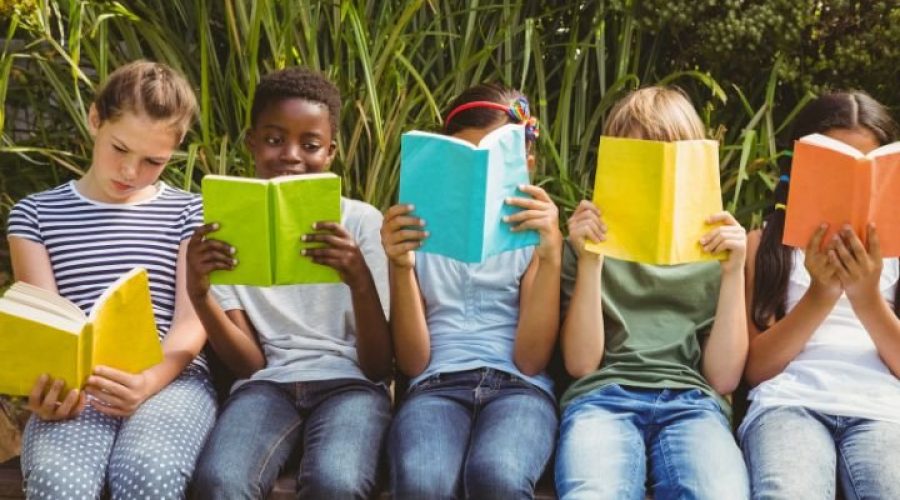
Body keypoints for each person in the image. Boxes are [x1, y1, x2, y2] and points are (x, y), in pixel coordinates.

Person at [8, 60, 215, 499]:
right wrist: (52, 392)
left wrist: (148, 381)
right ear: (95, 118)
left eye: (153, 161)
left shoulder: (188, 212)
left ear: (176, 149)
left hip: (170, 380)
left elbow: (190, 320)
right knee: (59, 483)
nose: (130, 172)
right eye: (120, 149)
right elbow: (50, 330)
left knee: (149, 472)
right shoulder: (35, 215)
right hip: (79, 391)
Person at [189, 67, 392, 499]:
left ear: (331, 152)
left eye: (311, 144)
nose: (291, 155)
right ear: (251, 142)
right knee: (220, 481)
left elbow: (379, 367)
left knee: (337, 482)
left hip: (351, 386)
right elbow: (248, 364)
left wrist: (357, 278)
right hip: (266, 385)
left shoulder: (360, 222)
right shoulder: (227, 228)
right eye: (274, 139)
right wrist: (199, 294)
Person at [554, 86, 750, 499]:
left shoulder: (716, 246)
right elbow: (582, 363)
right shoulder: (588, 241)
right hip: (602, 398)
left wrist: (733, 274)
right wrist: (590, 262)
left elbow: (723, 376)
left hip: (693, 404)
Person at [381, 83, 561, 499]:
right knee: (424, 483)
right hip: (435, 385)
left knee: (496, 476)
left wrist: (551, 257)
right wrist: (400, 266)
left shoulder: (537, 241)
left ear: (526, 163)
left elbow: (531, 360)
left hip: (519, 387)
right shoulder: (416, 235)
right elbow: (412, 361)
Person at [740, 91, 900, 499]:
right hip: (788, 403)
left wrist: (866, 297)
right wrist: (821, 294)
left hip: (884, 411)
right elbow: (755, 368)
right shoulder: (765, 245)